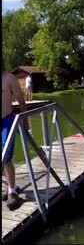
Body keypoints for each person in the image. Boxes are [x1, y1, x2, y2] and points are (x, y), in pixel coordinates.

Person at [2, 69, 28, 210]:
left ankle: (12, 191)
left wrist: (25, 119)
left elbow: (20, 99)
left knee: (5, 156)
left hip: (6, 120)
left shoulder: (9, 78)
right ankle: (9, 186)